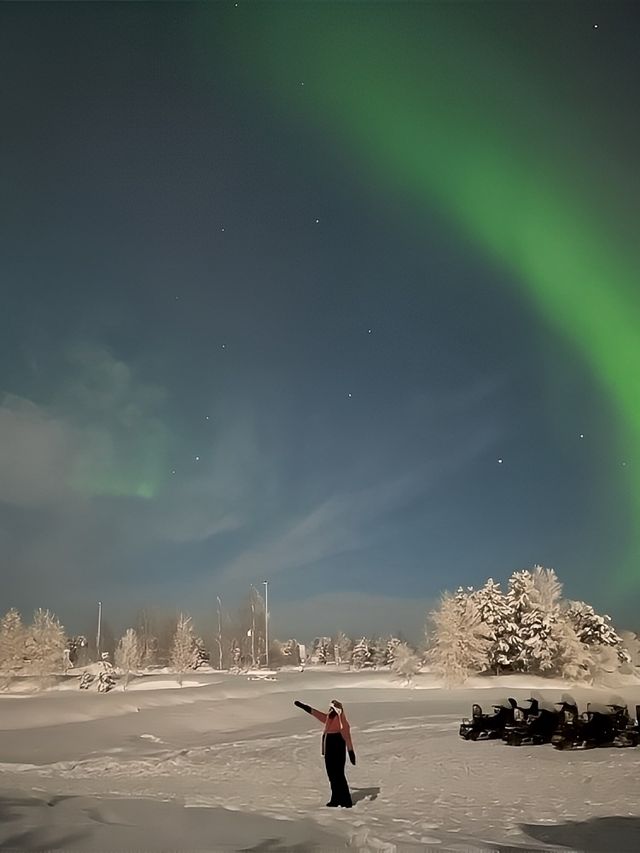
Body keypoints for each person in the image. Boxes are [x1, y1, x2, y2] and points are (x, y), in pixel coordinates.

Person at [294, 698, 355, 808]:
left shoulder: (341, 722)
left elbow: (347, 736)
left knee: (339, 775)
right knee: (332, 775)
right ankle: (336, 798)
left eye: (332, 709)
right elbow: (317, 714)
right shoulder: (329, 719)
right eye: (330, 708)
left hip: (338, 747)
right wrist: (304, 707)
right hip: (329, 749)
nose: (330, 711)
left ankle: (346, 800)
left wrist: (351, 752)